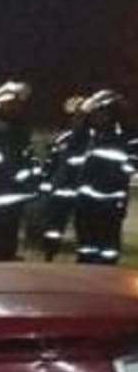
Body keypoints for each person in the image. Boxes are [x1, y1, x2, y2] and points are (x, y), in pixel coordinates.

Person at [0, 81, 36, 262]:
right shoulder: (2, 128)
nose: (18, 107)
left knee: (4, 227)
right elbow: (8, 158)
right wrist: (22, 174)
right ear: (4, 104)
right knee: (2, 228)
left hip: (1, 187)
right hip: (4, 186)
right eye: (14, 103)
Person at [75, 89, 135, 265]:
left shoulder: (128, 138)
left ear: (113, 114)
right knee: (86, 243)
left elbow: (131, 165)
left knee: (108, 243)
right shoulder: (89, 135)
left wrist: (116, 176)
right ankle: (85, 268)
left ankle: (106, 271)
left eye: (101, 113)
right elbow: (75, 142)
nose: (97, 117)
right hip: (86, 199)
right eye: (95, 113)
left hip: (111, 200)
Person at [39, 96, 89, 261]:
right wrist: (46, 186)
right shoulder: (63, 139)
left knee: (84, 227)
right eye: (74, 116)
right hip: (59, 192)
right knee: (53, 228)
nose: (76, 119)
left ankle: (85, 260)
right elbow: (50, 164)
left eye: (80, 116)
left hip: (82, 193)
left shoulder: (92, 140)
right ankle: (49, 254)